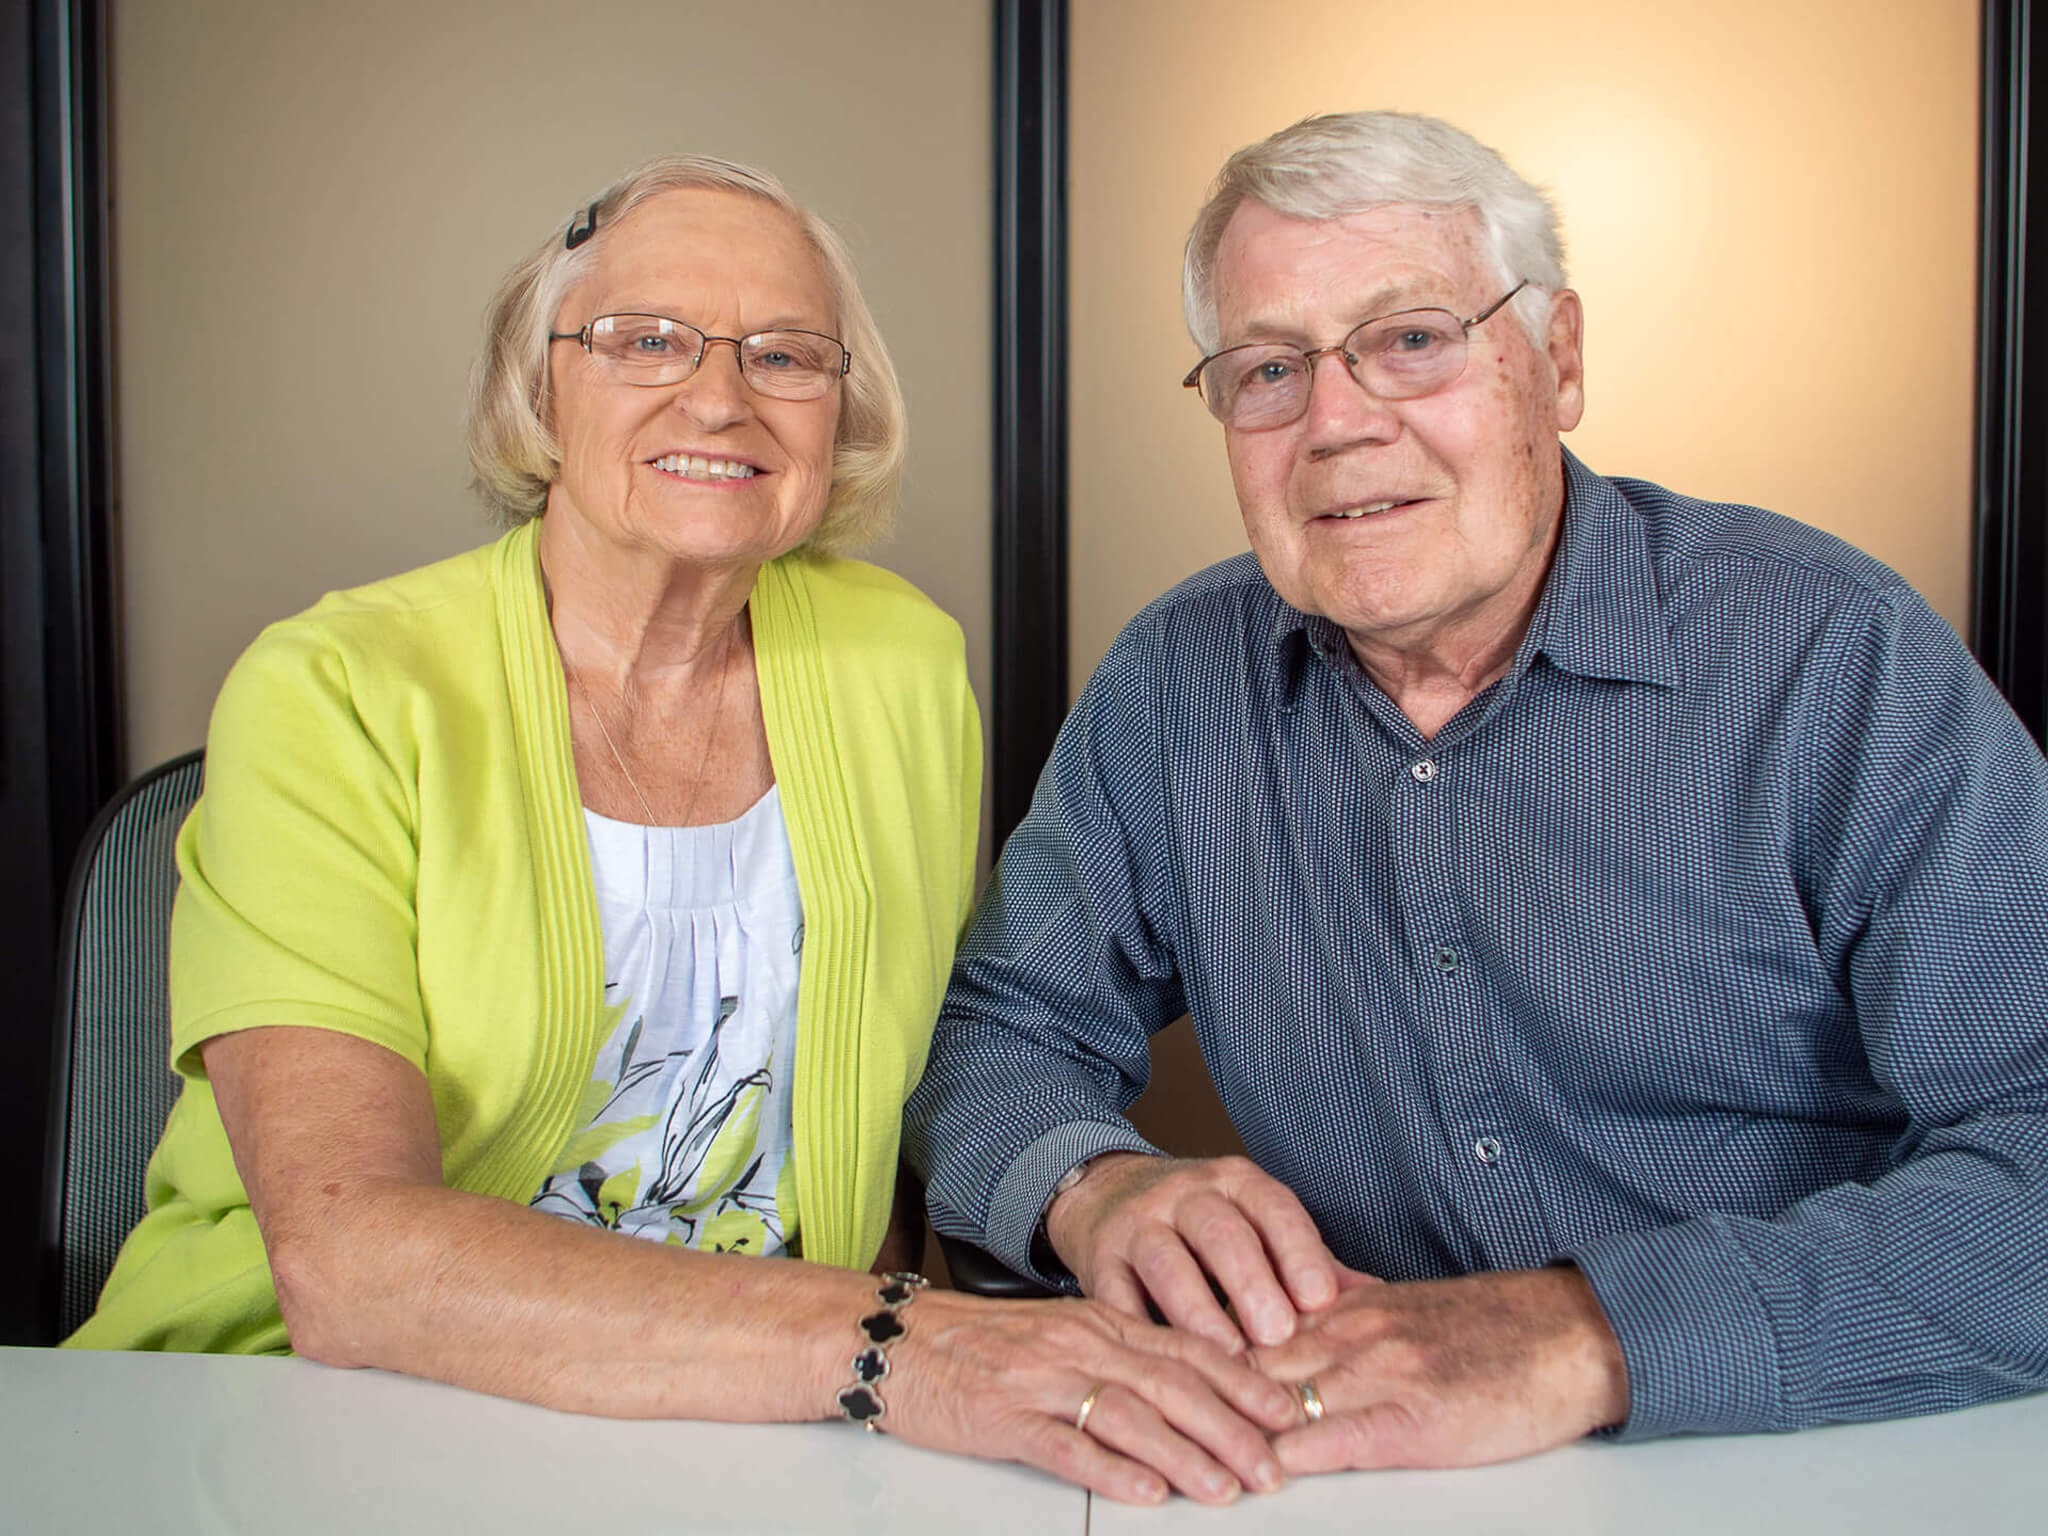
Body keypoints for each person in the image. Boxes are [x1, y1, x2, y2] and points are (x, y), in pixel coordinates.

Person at [67, 155, 1303, 1507]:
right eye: (643, 340)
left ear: (842, 413)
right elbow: (349, 1262)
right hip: (313, 1415)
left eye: (785, 356)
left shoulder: (899, 667)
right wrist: (904, 1349)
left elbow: (883, 1114)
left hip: (772, 1430)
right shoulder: (332, 692)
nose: (718, 396)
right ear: (540, 388)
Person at [906, 111, 2048, 1472]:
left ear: (1555, 361)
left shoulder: (1831, 658)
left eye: (1410, 341)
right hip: (1342, 1463)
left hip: (1804, 1450)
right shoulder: (1177, 682)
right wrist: (1095, 1188)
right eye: (1267, 369)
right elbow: (997, 1031)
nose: (1335, 424)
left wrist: (1585, 1334)